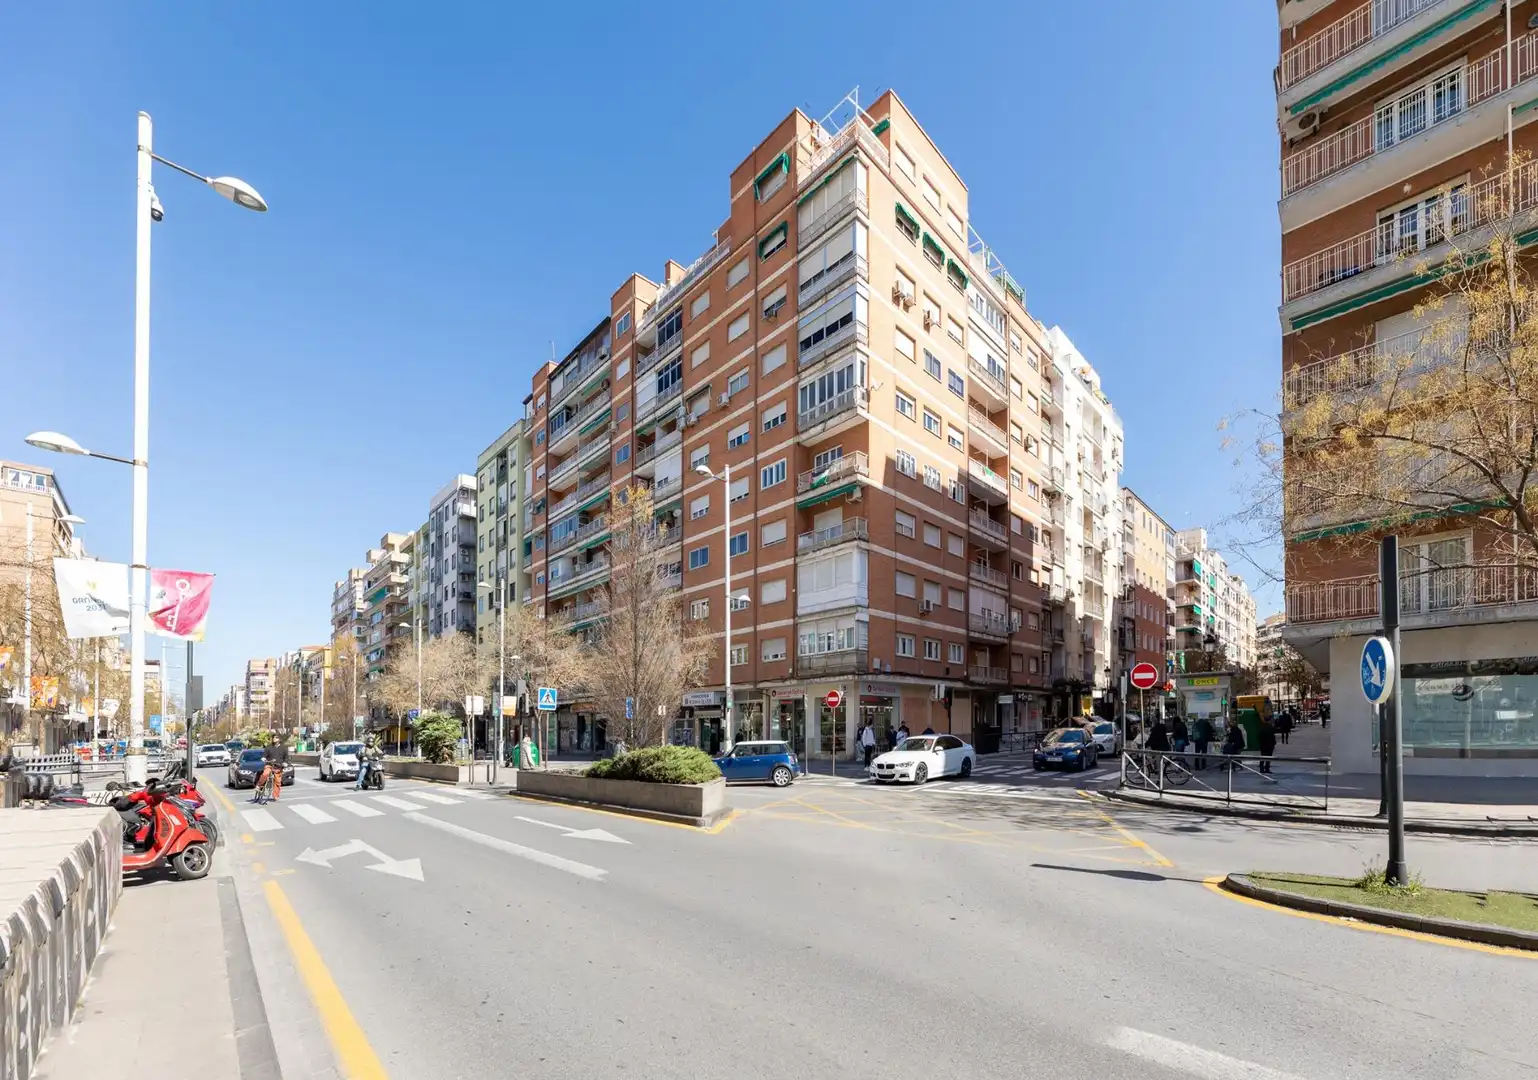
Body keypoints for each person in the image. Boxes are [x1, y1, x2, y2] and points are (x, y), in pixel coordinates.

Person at [261, 733, 289, 800]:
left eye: (276, 737)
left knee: (278, 782)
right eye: (273, 737)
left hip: (278, 766)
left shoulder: (284, 748)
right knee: (265, 774)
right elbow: (264, 755)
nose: (274, 738)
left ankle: (275, 795)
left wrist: (285, 763)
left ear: (279, 739)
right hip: (269, 765)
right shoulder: (269, 747)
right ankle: (259, 786)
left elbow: (286, 758)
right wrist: (263, 758)